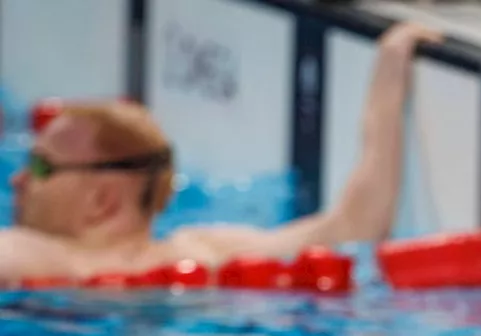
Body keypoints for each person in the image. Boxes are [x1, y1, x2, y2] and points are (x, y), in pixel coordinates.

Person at [0, 21, 443, 287]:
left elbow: (354, 226)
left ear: (103, 199)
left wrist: (388, 70)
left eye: (40, 167)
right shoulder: (207, 259)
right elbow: (355, 231)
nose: (17, 180)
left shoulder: (27, 256)